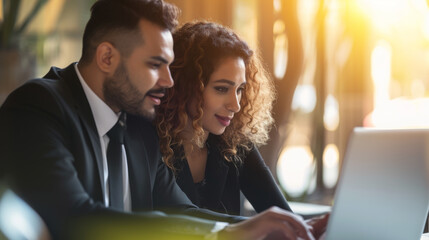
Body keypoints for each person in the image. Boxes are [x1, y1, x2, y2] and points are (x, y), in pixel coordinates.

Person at [0, 0, 324, 239]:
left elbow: (179, 210)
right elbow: (74, 218)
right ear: (107, 57)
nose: (169, 81)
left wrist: (269, 227)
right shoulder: (38, 107)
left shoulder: (138, 125)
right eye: (156, 64)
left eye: (169, 66)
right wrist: (224, 234)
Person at [156, 21, 291, 216]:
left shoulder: (235, 144)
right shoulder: (149, 145)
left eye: (239, 90)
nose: (235, 105)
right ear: (184, 85)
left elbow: (285, 217)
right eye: (221, 89)